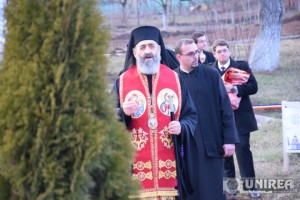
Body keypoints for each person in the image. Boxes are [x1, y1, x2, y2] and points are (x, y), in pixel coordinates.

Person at [112, 26, 199, 200]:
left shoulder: (175, 78)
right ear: (135, 52)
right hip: (134, 168)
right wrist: (123, 113)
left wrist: (182, 126)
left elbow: (191, 115)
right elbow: (105, 118)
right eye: (142, 47)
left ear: (159, 49)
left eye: (151, 46)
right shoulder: (122, 82)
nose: (148, 51)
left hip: (170, 166)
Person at [174, 38, 239, 200]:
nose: (196, 56)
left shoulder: (211, 74)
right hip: (185, 142)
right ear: (178, 57)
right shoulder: (172, 78)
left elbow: (225, 109)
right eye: (190, 54)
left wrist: (229, 139)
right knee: (189, 187)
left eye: (196, 52)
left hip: (211, 141)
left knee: (213, 189)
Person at [210, 39, 260, 198]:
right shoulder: (209, 70)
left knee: (243, 149)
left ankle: (251, 187)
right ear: (214, 54)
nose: (222, 53)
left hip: (240, 117)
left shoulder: (242, 66)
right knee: (225, 152)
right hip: (219, 119)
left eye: (225, 50)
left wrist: (234, 88)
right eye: (219, 51)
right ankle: (231, 187)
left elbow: (254, 87)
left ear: (229, 51)